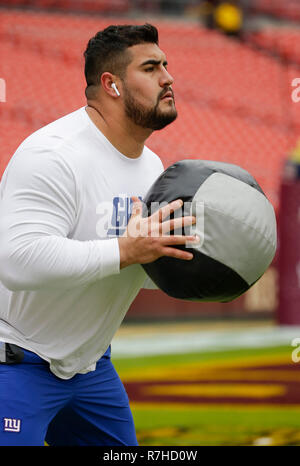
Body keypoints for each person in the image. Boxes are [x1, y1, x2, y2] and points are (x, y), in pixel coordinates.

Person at [0, 24, 198, 446]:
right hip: (12, 362)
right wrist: (126, 249)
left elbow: (137, 262)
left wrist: (203, 265)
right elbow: (17, 261)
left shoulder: (152, 167)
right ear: (111, 84)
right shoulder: (52, 155)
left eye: (166, 64)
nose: (168, 77)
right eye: (150, 68)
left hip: (90, 369)